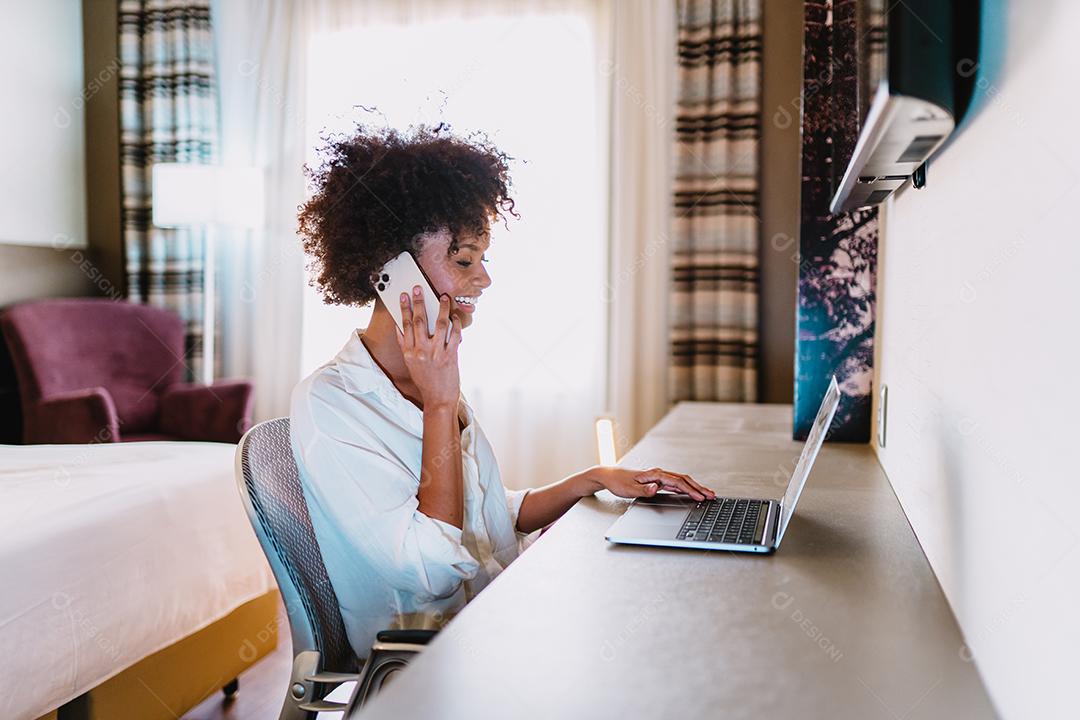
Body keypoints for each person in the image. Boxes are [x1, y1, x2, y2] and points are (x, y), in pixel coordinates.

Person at [290, 122, 715, 658]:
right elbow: (433, 570)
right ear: (392, 272)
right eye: (464, 260)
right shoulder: (331, 404)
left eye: (481, 259)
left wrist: (595, 478)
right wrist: (440, 404)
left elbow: (486, 519)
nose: (483, 279)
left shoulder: (424, 382)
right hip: (432, 661)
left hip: (500, 617)